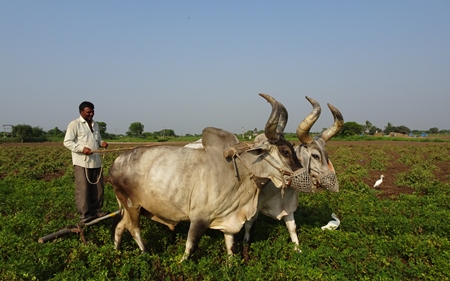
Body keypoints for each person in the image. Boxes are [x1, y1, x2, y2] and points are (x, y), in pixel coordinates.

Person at [64, 101, 108, 223]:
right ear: (81, 112)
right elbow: (67, 142)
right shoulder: (74, 124)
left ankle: (96, 211)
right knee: (83, 189)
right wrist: (82, 149)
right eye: (88, 112)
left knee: (98, 188)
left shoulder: (96, 124)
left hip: (96, 161)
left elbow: (97, 139)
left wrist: (102, 143)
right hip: (82, 162)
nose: (91, 114)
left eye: (92, 111)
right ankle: (84, 215)